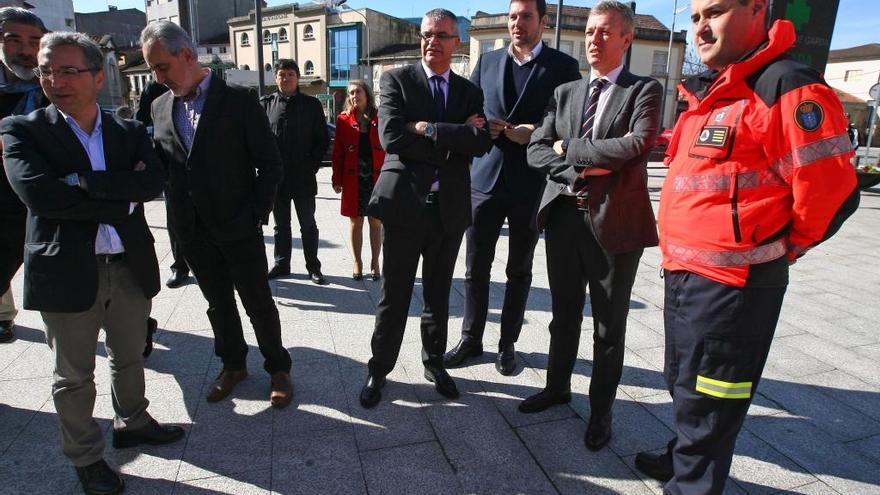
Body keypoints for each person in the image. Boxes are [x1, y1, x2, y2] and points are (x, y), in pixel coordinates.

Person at [633, 1, 860, 492]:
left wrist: (783, 247)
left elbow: (832, 190)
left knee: (711, 405)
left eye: (714, 11)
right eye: (694, 18)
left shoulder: (786, 85)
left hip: (734, 290)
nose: (701, 28)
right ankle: (682, 458)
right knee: (685, 385)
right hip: (685, 277)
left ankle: (692, 483)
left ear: (757, 8)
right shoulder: (713, 91)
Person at [1, 31, 184, 495]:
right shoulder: (21, 130)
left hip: (128, 265)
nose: (54, 80)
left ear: (98, 76)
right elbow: (40, 196)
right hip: (64, 271)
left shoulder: (126, 130)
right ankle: (86, 458)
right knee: (73, 376)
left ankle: (134, 420)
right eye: (46, 70)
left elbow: (153, 183)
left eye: (67, 69)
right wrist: (118, 194)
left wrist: (81, 182)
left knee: (130, 357)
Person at [525, 0, 661, 452]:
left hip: (614, 226)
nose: (594, 40)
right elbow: (537, 151)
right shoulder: (566, 93)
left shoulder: (645, 90)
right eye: (589, 33)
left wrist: (572, 149)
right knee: (563, 316)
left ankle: (600, 413)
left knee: (608, 327)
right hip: (564, 218)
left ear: (627, 39)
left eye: (605, 32)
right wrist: (579, 167)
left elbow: (637, 144)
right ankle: (556, 386)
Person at [142, 21, 293, 408]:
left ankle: (277, 367)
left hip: (239, 226)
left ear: (188, 56)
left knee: (257, 300)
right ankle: (233, 364)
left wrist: (255, 214)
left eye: (161, 67)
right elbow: (165, 168)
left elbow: (270, 165)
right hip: (192, 230)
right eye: (152, 69)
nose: (157, 77)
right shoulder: (159, 106)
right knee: (217, 303)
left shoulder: (239, 100)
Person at [359, 8, 493, 409]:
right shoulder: (397, 80)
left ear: (457, 43)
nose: (432, 41)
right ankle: (379, 369)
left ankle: (434, 363)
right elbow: (391, 137)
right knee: (394, 295)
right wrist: (455, 141)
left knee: (437, 294)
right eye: (426, 34)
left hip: (448, 210)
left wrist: (431, 130)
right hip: (405, 208)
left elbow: (482, 142)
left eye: (441, 35)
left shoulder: (470, 92)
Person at [443, 0, 581, 376]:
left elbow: (567, 119)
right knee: (475, 268)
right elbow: (467, 109)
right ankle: (471, 339)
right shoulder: (486, 62)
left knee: (519, 270)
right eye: (513, 16)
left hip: (530, 181)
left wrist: (535, 133)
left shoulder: (563, 67)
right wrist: (480, 124)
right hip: (484, 179)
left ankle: (508, 344)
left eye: (526, 16)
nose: (518, 23)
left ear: (543, 21)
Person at [0, 7, 48, 343]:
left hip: (45, 194)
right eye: (14, 40)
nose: (25, 50)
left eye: (34, 42)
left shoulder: (55, 81)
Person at [260, 59, 330, 285]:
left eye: (290, 74)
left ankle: (313, 267)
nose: (286, 78)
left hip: (303, 177)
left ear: (297, 77)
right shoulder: (266, 104)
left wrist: (312, 165)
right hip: (277, 179)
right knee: (281, 226)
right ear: (276, 78)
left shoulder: (311, 105)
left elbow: (322, 140)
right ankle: (282, 264)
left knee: (308, 225)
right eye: (281, 74)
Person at [135, 79, 192, 289]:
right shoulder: (154, 91)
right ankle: (180, 266)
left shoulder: (197, 85)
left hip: (203, 168)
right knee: (175, 220)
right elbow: (140, 121)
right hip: (171, 168)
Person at [331, 80, 385, 281]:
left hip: (377, 178)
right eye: (351, 93)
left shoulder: (380, 117)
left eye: (358, 92)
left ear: (367, 93)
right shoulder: (343, 120)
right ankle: (357, 262)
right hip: (354, 179)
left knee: (375, 223)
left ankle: (375, 262)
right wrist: (337, 179)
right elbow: (338, 154)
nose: (354, 96)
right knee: (355, 223)